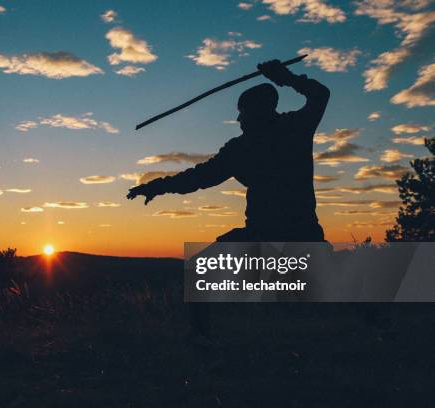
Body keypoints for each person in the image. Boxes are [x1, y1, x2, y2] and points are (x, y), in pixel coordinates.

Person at [127, 59, 330, 340]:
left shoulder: (245, 147)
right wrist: (286, 78)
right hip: (301, 233)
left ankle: (202, 344)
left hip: (267, 236)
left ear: (256, 113)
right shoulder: (295, 128)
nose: (238, 120)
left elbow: (197, 178)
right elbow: (320, 95)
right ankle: (378, 327)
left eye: (242, 113)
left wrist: (156, 187)